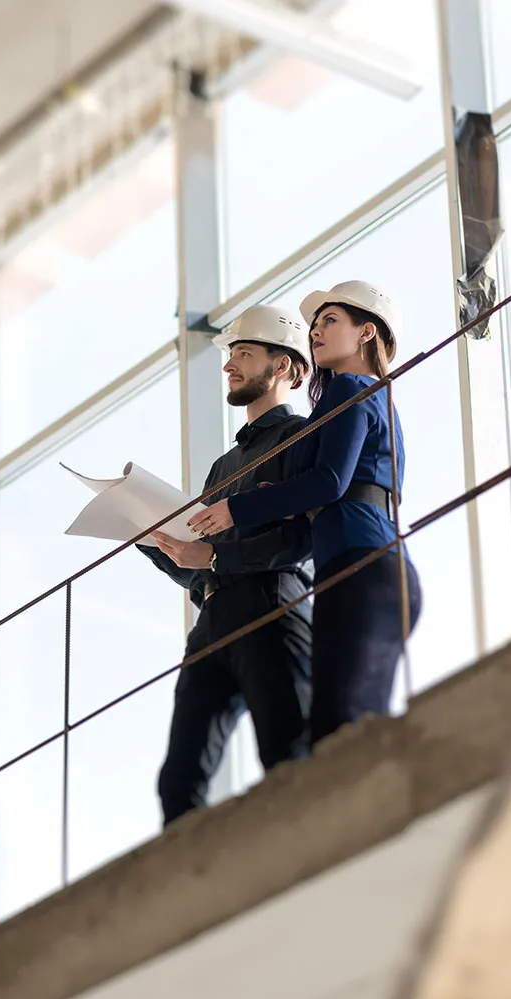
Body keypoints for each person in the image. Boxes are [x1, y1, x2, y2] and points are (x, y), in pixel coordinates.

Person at [187, 280, 423, 745]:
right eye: (314, 324)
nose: (315, 330)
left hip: (364, 565)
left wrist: (236, 508)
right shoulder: (349, 400)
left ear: (366, 333)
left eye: (330, 320)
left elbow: (329, 482)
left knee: (342, 726)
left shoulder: (354, 387)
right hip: (354, 567)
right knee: (334, 727)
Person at [139, 304, 315, 825]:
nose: (228, 364)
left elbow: (303, 536)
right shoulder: (224, 465)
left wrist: (215, 554)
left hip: (270, 607)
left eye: (243, 353)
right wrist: (155, 542)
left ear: (282, 366)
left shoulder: (299, 438)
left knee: (287, 754)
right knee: (178, 781)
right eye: (231, 353)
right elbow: (202, 565)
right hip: (212, 620)